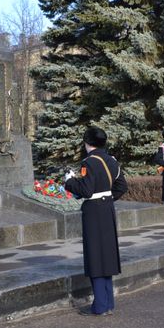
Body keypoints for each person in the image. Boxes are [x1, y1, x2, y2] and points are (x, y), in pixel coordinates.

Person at [64, 126, 128, 316]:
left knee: (95, 256)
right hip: (107, 209)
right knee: (106, 255)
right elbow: (122, 186)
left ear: (87, 142)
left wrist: (69, 181)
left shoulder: (89, 162)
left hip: (94, 211)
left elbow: (86, 190)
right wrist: (107, 197)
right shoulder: (111, 161)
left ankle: (99, 305)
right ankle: (108, 303)